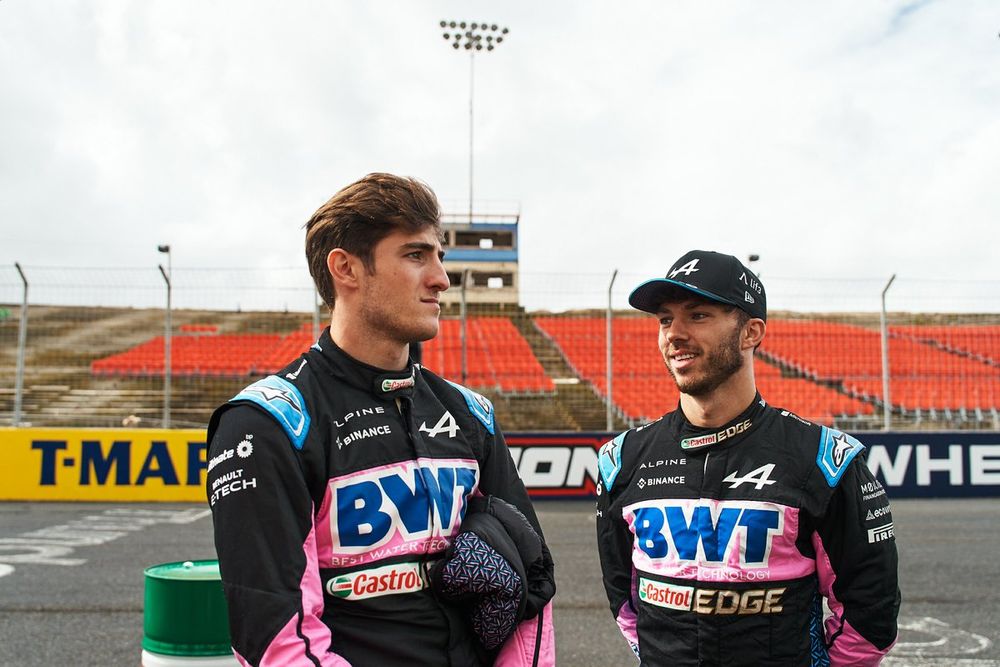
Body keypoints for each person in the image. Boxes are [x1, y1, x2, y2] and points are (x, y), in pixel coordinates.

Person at [206, 173, 555, 666]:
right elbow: (277, 641)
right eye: (416, 255)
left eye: (440, 257)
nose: (441, 278)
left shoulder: (471, 413)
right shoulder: (268, 423)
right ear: (346, 268)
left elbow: (531, 586)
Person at [596, 250, 900, 666]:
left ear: (751, 332)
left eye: (698, 315)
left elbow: (872, 612)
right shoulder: (623, 459)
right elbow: (624, 601)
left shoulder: (824, 460)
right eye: (665, 319)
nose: (674, 334)